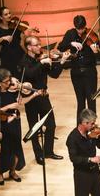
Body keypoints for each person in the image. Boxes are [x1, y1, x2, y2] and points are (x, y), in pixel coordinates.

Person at [17, 35, 70, 164]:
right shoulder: (23, 61)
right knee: (34, 128)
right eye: (37, 45)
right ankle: (38, 154)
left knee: (51, 125)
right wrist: (41, 63)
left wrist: (62, 61)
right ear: (29, 47)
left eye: (40, 44)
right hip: (31, 98)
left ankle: (48, 151)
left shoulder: (42, 59)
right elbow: (29, 74)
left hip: (44, 96)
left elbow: (54, 75)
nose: (40, 47)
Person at [0, 68, 40, 185]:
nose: (10, 83)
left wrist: (34, 95)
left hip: (15, 122)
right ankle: (0, 173)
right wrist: (9, 107)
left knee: (16, 147)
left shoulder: (14, 90)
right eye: (6, 82)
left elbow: (21, 102)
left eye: (10, 80)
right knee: (5, 150)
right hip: (3, 124)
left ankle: (12, 171)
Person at [58, 15, 100, 122]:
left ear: (85, 26)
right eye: (78, 29)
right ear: (75, 26)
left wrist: (95, 51)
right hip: (76, 72)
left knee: (91, 100)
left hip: (90, 72)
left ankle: (92, 124)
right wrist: (71, 43)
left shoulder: (92, 35)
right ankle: (80, 126)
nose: (81, 32)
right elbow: (61, 47)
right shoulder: (70, 33)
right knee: (80, 101)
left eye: (82, 28)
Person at [0, 6, 30, 76]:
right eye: (6, 14)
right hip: (7, 57)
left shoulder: (16, 26)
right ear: (1, 17)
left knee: (21, 76)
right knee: (10, 77)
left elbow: (23, 41)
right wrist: (3, 38)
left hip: (19, 55)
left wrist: (29, 32)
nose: (9, 15)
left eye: (9, 13)